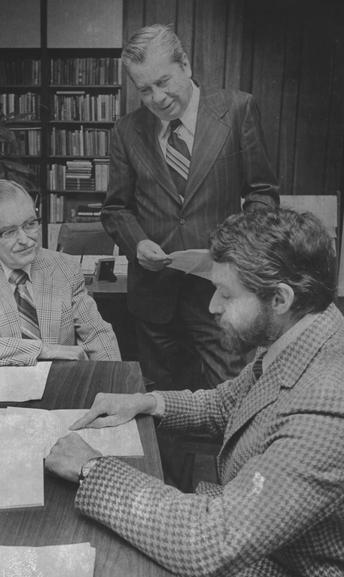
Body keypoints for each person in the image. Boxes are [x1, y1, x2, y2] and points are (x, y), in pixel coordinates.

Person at [46, 208, 344, 576]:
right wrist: (149, 402)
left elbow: (212, 540)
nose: (212, 307)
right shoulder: (301, 331)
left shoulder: (328, 405)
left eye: (225, 294)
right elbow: (227, 404)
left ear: (280, 299)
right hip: (258, 538)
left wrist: (91, 469)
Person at [101, 23, 279, 390]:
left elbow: (262, 192)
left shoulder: (235, 110)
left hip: (220, 291)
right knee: (161, 403)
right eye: (144, 89)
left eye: (164, 82)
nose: (157, 98)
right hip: (155, 297)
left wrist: (237, 252)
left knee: (232, 392)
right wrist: (136, 244)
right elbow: (116, 209)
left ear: (185, 65)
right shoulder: (126, 130)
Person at [0, 179, 121, 366]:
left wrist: (112, 387)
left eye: (29, 224)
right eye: (9, 232)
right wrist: (43, 350)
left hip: (60, 384)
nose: (25, 240)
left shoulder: (65, 267)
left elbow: (97, 335)